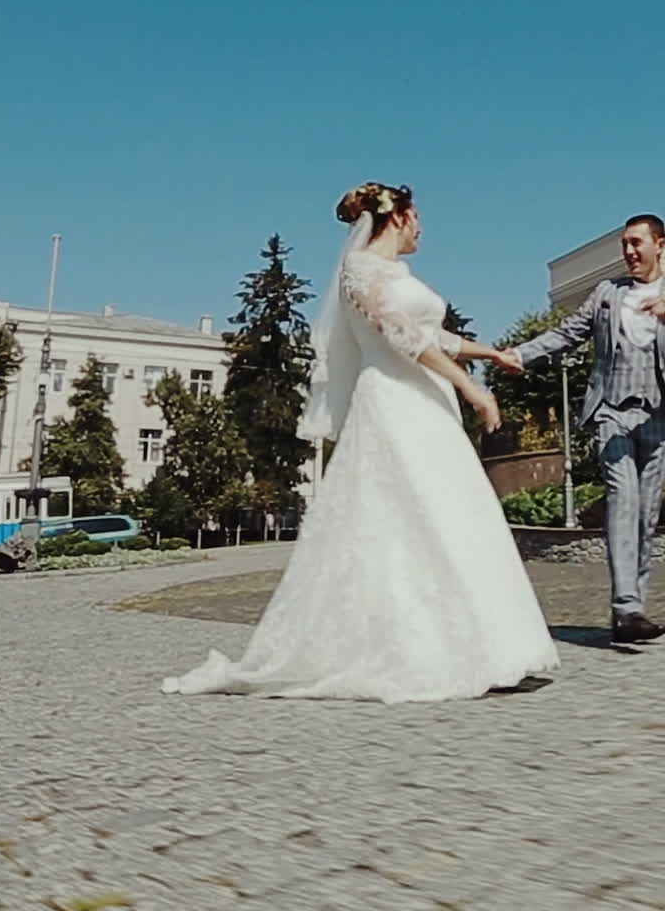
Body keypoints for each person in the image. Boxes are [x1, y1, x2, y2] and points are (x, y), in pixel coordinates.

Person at [162, 182, 559, 703]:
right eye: (419, 217)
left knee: (451, 516)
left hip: (427, 401)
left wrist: (490, 355)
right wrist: (469, 386)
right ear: (400, 216)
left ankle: (486, 646)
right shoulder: (359, 273)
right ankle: (422, 649)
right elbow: (399, 333)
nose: (422, 229)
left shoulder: (398, 275)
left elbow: (435, 336)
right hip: (394, 401)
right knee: (408, 519)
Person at [512, 215, 665, 643]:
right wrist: (521, 355)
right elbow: (568, 333)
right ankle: (626, 607)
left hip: (661, 415)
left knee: (647, 514)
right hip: (613, 413)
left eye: (637, 243)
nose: (629, 252)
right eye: (625, 244)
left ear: (660, 245)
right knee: (623, 503)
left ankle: (631, 609)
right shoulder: (606, 294)